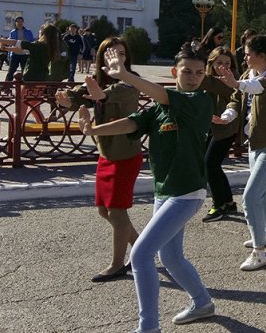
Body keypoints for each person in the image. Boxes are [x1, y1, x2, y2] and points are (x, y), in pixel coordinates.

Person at [78, 44, 216, 330]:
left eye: (199, 72)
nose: (193, 77)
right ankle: (202, 302)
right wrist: (93, 130)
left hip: (187, 193)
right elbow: (131, 123)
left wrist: (126, 75)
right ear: (174, 71)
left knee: (141, 255)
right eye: (187, 71)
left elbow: (162, 94)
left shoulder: (199, 101)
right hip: (164, 191)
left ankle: (148, 327)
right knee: (171, 255)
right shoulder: (159, 108)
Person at [55, 37, 142, 282]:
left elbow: (108, 96)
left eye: (121, 54)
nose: (116, 58)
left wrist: (97, 94)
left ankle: (117, 265)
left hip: (125, 155)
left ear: (128, 58)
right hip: (106, 153)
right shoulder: (99, 80)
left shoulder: (130, 83)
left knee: (116, 212)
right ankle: (142, 247)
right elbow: (81, 96)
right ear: (101, 57)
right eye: (110, 53)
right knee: (104, 211)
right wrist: (67, 99)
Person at [217, 35, 266, 271]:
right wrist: (227, 116)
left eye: (248, 53)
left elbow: (259, 87)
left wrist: (236, 84)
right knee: (264, 191)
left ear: (263, 56)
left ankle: (259, 252)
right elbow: (236, 100)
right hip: (255, 143)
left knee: (250, 196)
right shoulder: (247, 76)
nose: (244, 57)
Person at [199, 47, 239, 222]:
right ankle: (228, 202)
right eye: (219, 63)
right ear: (212, 64)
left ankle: (219, 205)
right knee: (213, 165)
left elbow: (203, 81)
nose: (223, 67)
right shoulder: (211, 80)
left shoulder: (228, 82)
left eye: (227, 63)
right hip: (213, 127)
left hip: (226, 127)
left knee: (209, 164)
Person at [0, 23, 68, 82]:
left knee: (24, 99)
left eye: (40, 32)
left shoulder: (37, 45)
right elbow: (22, 50)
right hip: (43, 78)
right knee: (37, 99)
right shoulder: (53, 47)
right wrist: (6, 48)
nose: (38, 33)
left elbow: (16, 43)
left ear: (43, 34)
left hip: (30, 78)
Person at [5, 16, 34, 81]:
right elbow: (11, 43)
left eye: (21, 21)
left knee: (25, 71)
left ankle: (26, 85)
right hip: (15, 54)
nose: (19, 23)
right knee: (11, 70)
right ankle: (7, 85)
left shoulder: (28, 31)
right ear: (15, 23)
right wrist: (9, 55)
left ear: (23, 22)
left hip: (25, 54)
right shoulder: (13, 32)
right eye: (18, 21)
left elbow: (31, 42)